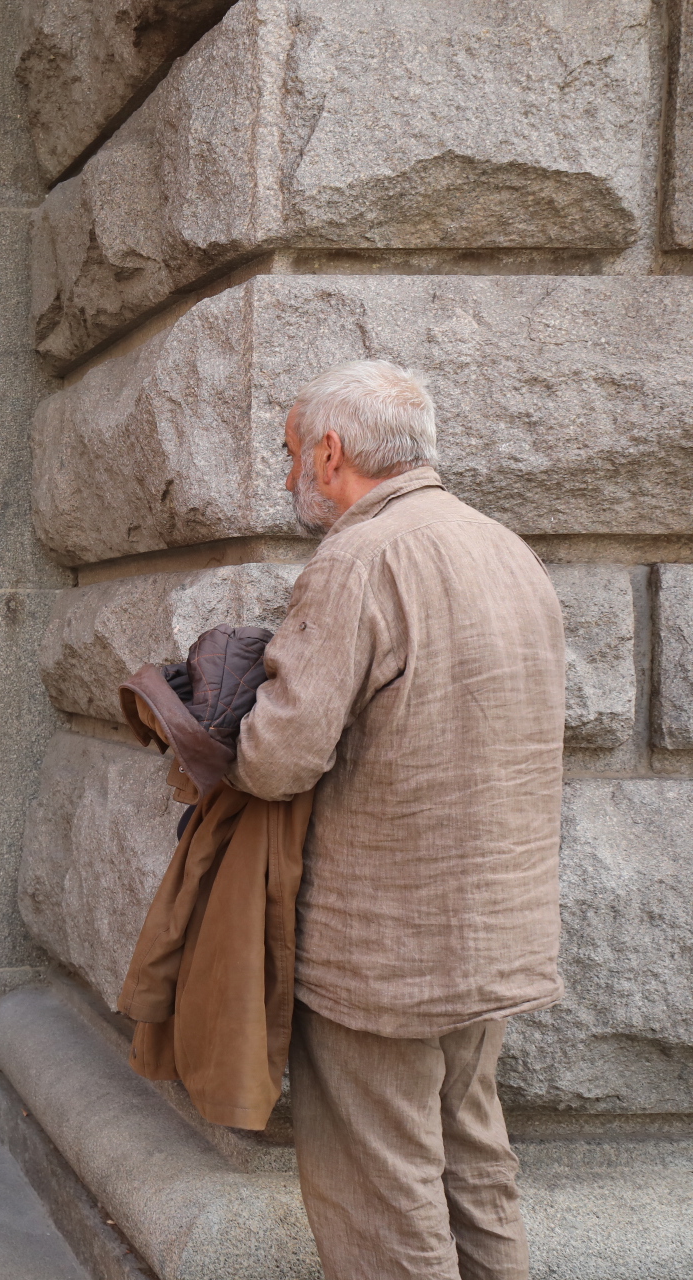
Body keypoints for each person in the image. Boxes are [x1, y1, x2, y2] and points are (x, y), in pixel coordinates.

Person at [228, 361, 564, 1279]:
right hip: (490, 936)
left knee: (384, 1199)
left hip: (384, 952)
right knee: (475, 1165)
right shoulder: (504, 545)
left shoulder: (359, 557)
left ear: (331, 454)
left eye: (292, 452)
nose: (287, 471)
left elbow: (277, 758)